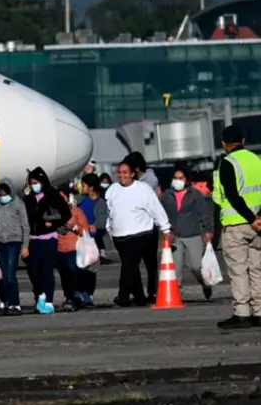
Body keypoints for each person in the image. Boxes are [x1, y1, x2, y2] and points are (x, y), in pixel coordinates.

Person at [212, 126, 261, 329]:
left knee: (238, 270)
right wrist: (258, 218)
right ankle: (259, 311)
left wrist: (249, 218)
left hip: (236, 224)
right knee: (257, 269)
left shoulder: (227, 163)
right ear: (243, 140)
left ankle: (242, 312)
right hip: (257, 224)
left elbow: (232, 195)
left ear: (224, 144)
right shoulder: (256, 160)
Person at [105, 159, 172, 308]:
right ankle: (139, 296)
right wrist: (110, 229)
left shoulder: (143, 189)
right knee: (131, 266)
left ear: (133, 173)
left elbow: (156, 209)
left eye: (125, 173)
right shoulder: (112, 190)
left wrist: (165, 228)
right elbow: (111, 212)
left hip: (140, 233)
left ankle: (123, 295)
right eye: (119, 173)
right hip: (120, 235)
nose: (122, 176)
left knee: (129, 264)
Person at [159, 165, 215, 301]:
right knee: (175, 269)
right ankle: (176, 294)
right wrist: (164, 231)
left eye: (180, 178)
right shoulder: (167, 195)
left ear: (187, 180)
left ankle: (205, 284)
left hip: (193, 234)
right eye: (175, 178)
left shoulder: (195, 195)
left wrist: (208, 230)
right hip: (175, 237)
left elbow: (204, 213)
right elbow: (160, 214)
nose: (177, 181)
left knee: (196, 266)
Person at [23, 167, 71, 314]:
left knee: (47, 270)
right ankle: (40, 294)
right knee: (34, 270)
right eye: (31, 183)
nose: (34, 185)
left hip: (49, 238)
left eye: (36, 182)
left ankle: (49, 300)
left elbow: (66, 214)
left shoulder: (52, 195)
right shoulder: (29, 199)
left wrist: (53, 223)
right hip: (34, 238)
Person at [0, 179, 29, 315]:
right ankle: (6, 302)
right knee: (3, 276)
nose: (2, 196)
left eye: (4, 193)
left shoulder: (18, 204)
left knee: (10, 275)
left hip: (14, 241)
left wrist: (25, 245)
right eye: (0, 194)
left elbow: (25, 225)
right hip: (1, 242)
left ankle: (15, 304)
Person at [56, 185, 87, 311]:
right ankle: (69, 296)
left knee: (73, 273)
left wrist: (73, 227)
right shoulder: (55, 213)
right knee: (64, 276)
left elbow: (85, 230)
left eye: (62, 198)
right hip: (59, 249)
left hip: (73, 248)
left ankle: (75, 297)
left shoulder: (76, 211)